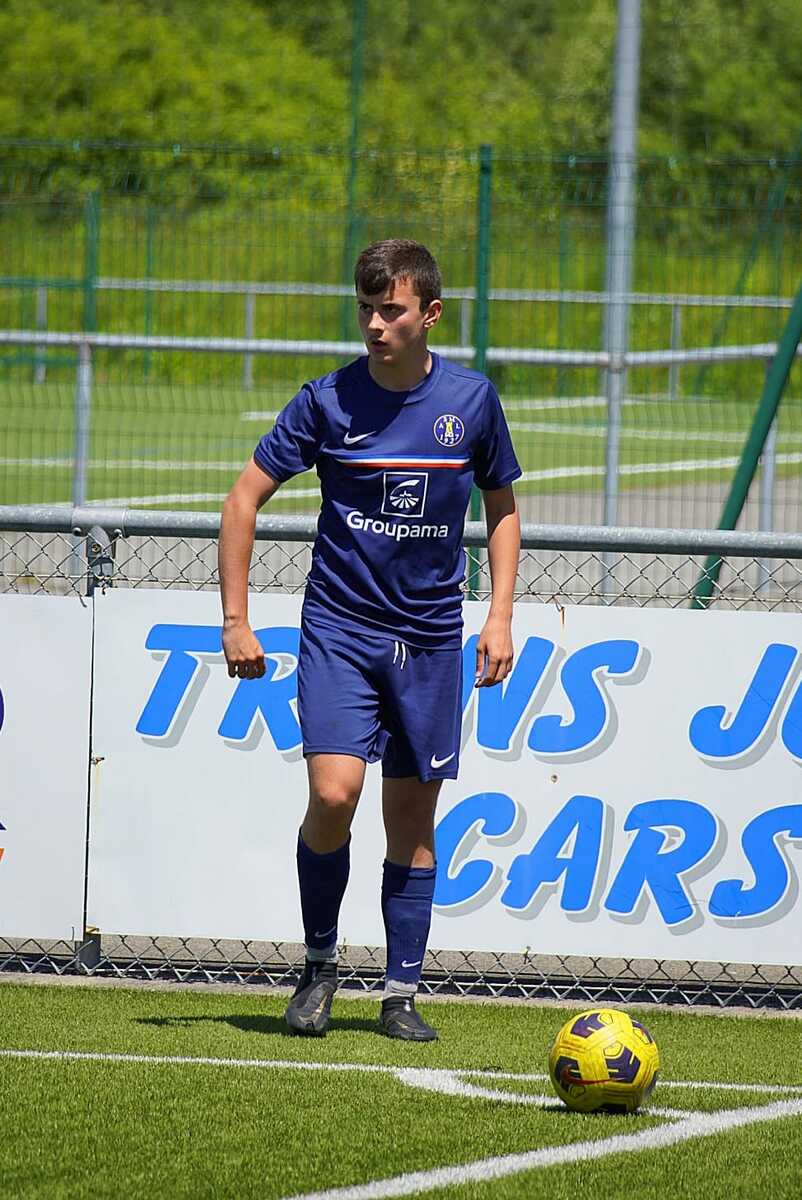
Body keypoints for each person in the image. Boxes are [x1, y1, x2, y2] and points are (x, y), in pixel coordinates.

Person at [219, 239, 521, 1041]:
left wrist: (498, 615)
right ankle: (320, 966)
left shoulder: (472, 402)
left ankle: (400, 994)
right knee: (333, 795)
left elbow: (502, 508)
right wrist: (236, 620)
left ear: (431, 313)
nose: (375, 324)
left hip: (430, 638)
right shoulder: (326, 401)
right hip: (340, 631)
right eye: (366, 309)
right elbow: (243, 499)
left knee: (412, 823)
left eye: (391, 310)